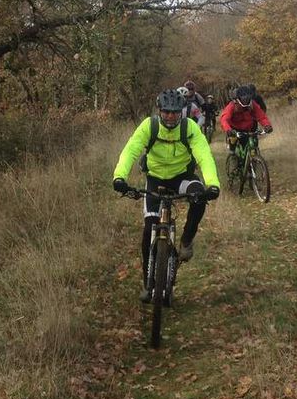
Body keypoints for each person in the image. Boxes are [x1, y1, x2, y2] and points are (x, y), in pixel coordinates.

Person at [113, 89, 221, 302]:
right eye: (166, 112)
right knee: (148, 229)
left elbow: (204, 155)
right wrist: (119, 177)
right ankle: (148, 283)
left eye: (174, 112)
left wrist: (212, 184)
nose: (170, 117)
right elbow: (131, 150)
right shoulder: (149, 126)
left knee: (199, 196)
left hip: (182, 177)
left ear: (180, 112)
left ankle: (186, 241)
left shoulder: (189, 128)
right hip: (155, 180)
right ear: (159, 111)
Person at [220, 84, 273, 169]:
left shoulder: (253, 104)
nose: (245, 100)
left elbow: (261, 116)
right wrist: (228, 130)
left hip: (249, 128)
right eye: (244, 99)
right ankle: (232, 156)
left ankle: (252, 162)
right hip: (234, 129)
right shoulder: (232, 106)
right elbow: (224, 119)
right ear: (238, 98)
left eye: (247, 98)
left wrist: (267, 125)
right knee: (233, 140)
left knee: (253, 144)